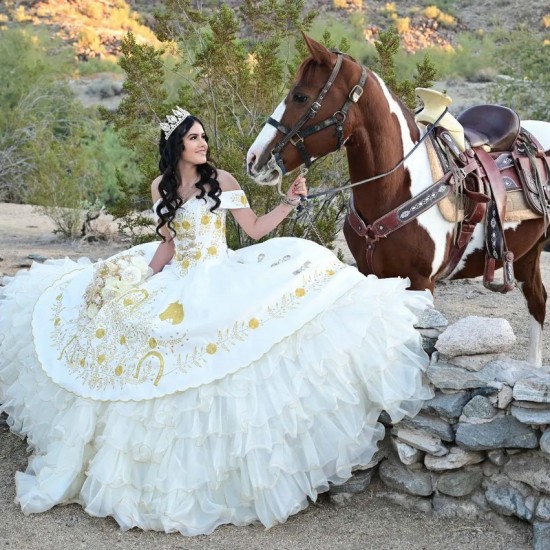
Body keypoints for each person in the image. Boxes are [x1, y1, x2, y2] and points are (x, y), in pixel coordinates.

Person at [0, 107, 433, 536]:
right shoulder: (161, 187)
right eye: (193, 138)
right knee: (131, 337)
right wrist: (140, 278)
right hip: (178, 279)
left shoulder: (222, 181)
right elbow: (168, 246)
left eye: (204, 136)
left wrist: (287, 203)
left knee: (261, 318)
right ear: (177, 147)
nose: (203, 143)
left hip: (220, 275)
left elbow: (256, 229)